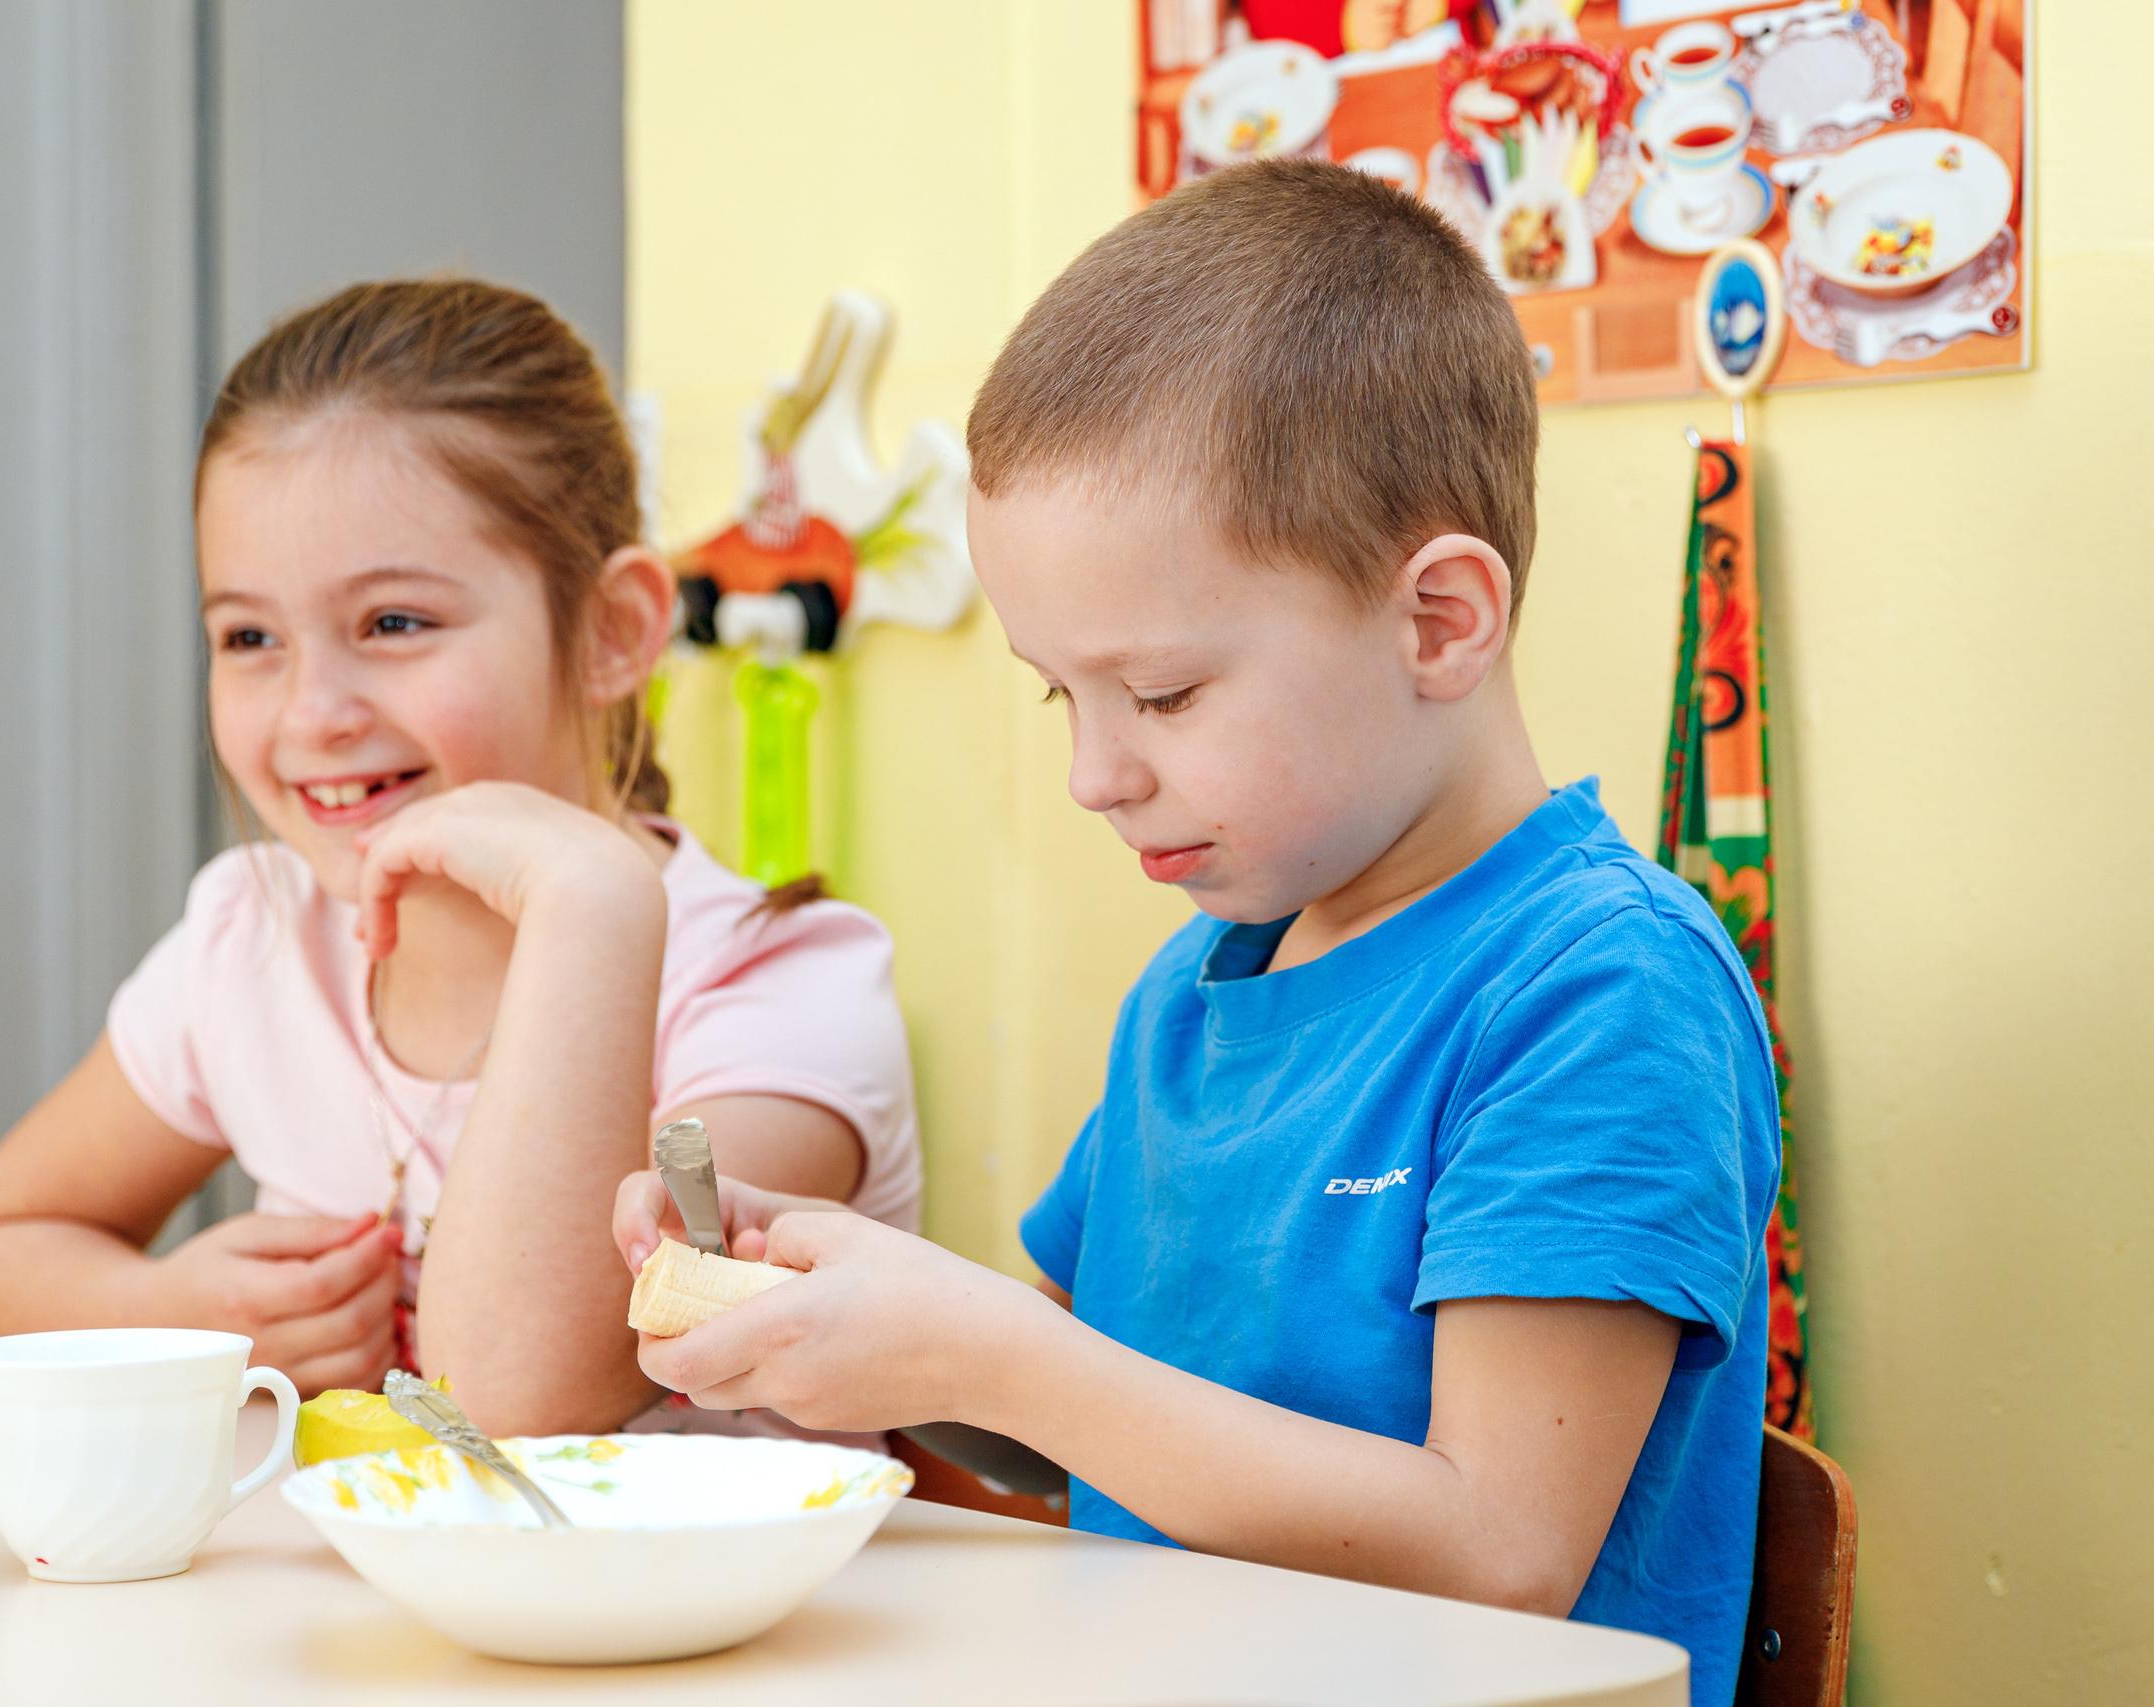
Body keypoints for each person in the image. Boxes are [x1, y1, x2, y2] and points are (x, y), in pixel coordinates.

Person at [617, 160, 1777, 1706]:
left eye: (1159, 693)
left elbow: (1500, 1548)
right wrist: (847, 1324)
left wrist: (986, 1351)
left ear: (1438, 619)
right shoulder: (1202, 982)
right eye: (1062, 694)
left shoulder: (1596, 987)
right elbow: (1083, 1416)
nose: (1099, 773)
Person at [0, 279, 920, 1432]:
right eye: (249, 637)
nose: (313, 712)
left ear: (613, 633)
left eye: (394, 624)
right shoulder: (254, 944)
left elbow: (522, 1400)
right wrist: (168, 1313)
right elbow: (0, 1237)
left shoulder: (779, 990)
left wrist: (586, 902)